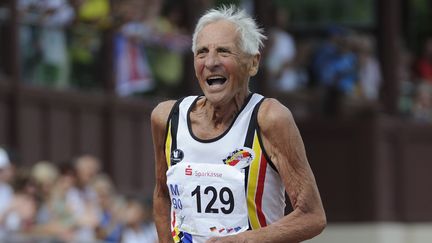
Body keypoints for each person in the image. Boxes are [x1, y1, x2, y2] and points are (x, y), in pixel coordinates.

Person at [151, 5, 326, 243]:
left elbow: (312, 216)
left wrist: (243, 240)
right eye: (202, 52)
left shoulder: (270, 118)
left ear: (252, 63)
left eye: (224, 52)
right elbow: (163, 196)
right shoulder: (166, 117)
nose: (211, 62)